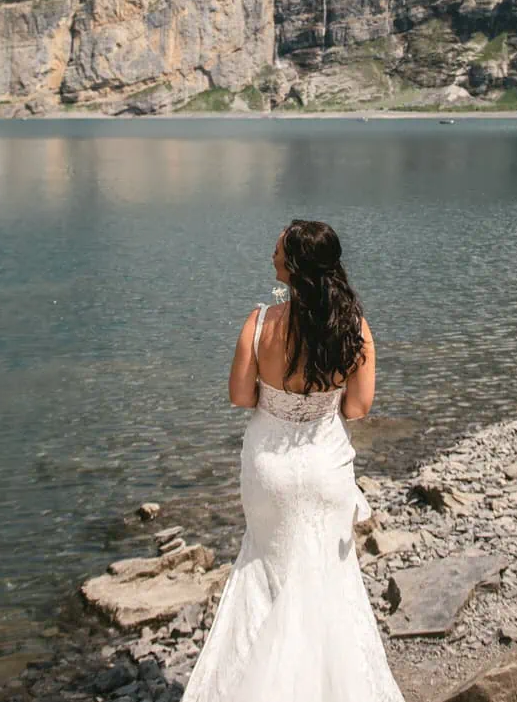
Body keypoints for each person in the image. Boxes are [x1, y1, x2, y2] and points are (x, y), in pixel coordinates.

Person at [182, 219, 405, 702]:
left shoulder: (260, 322)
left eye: (278, 249)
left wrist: (278, 393)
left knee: (265, 571)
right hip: (325, 467)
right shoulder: (354, 329)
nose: (271, 254)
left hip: (270, 469)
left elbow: (241, 397)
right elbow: (358, 408)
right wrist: (319, 400)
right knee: (327, 578)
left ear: (296, 266)